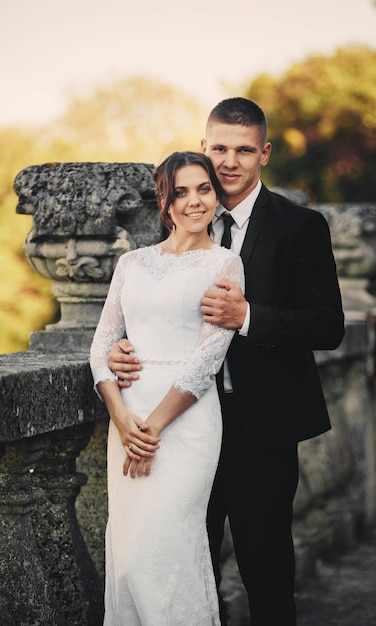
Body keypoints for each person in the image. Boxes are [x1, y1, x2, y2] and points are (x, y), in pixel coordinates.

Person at [107, 98, 345, 625]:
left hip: (262, 423)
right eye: (219, 149)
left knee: (266, 570)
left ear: (264, 153)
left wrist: (249, 315)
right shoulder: (184, 214)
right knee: (187, 563)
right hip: (182, 424)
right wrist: (124, 347)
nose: (229, 161)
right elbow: (149, 303)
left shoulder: (299, 225)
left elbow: (327, 325)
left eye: (243, 150)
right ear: (204, 147)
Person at [90, 150, 245, 626]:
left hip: (185, 421)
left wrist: (152, 429)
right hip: (129, 418)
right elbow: (100, 348)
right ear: (165, 201)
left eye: (204, 189)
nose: (195, 201)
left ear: (216, 197)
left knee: (168, 549)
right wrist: (122, 419)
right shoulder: (131, 263)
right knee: (129, 555)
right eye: (181, 191)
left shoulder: (225, 264)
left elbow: (206, 360)